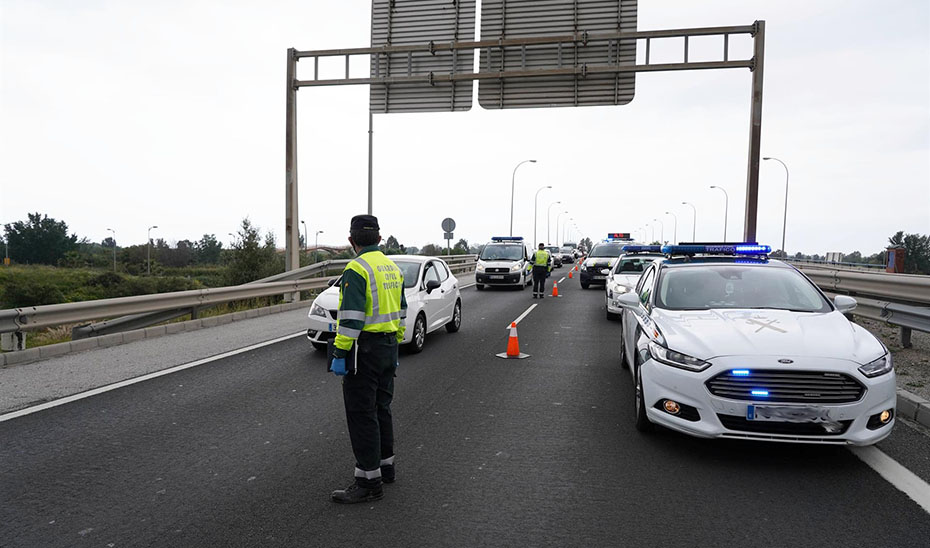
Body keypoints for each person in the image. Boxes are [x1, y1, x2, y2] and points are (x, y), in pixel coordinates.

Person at [329, 214, 407, 504]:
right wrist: (395, 342)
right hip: (388, 347)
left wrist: (339, 352)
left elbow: (350, 320)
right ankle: (386, 467)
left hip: (364, 351)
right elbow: (401, 311)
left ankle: (368, 481)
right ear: (379, 239)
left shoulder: (356, 269)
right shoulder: (392, 268)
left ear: (351, 242)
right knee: (382, 408)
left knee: (362, 415)